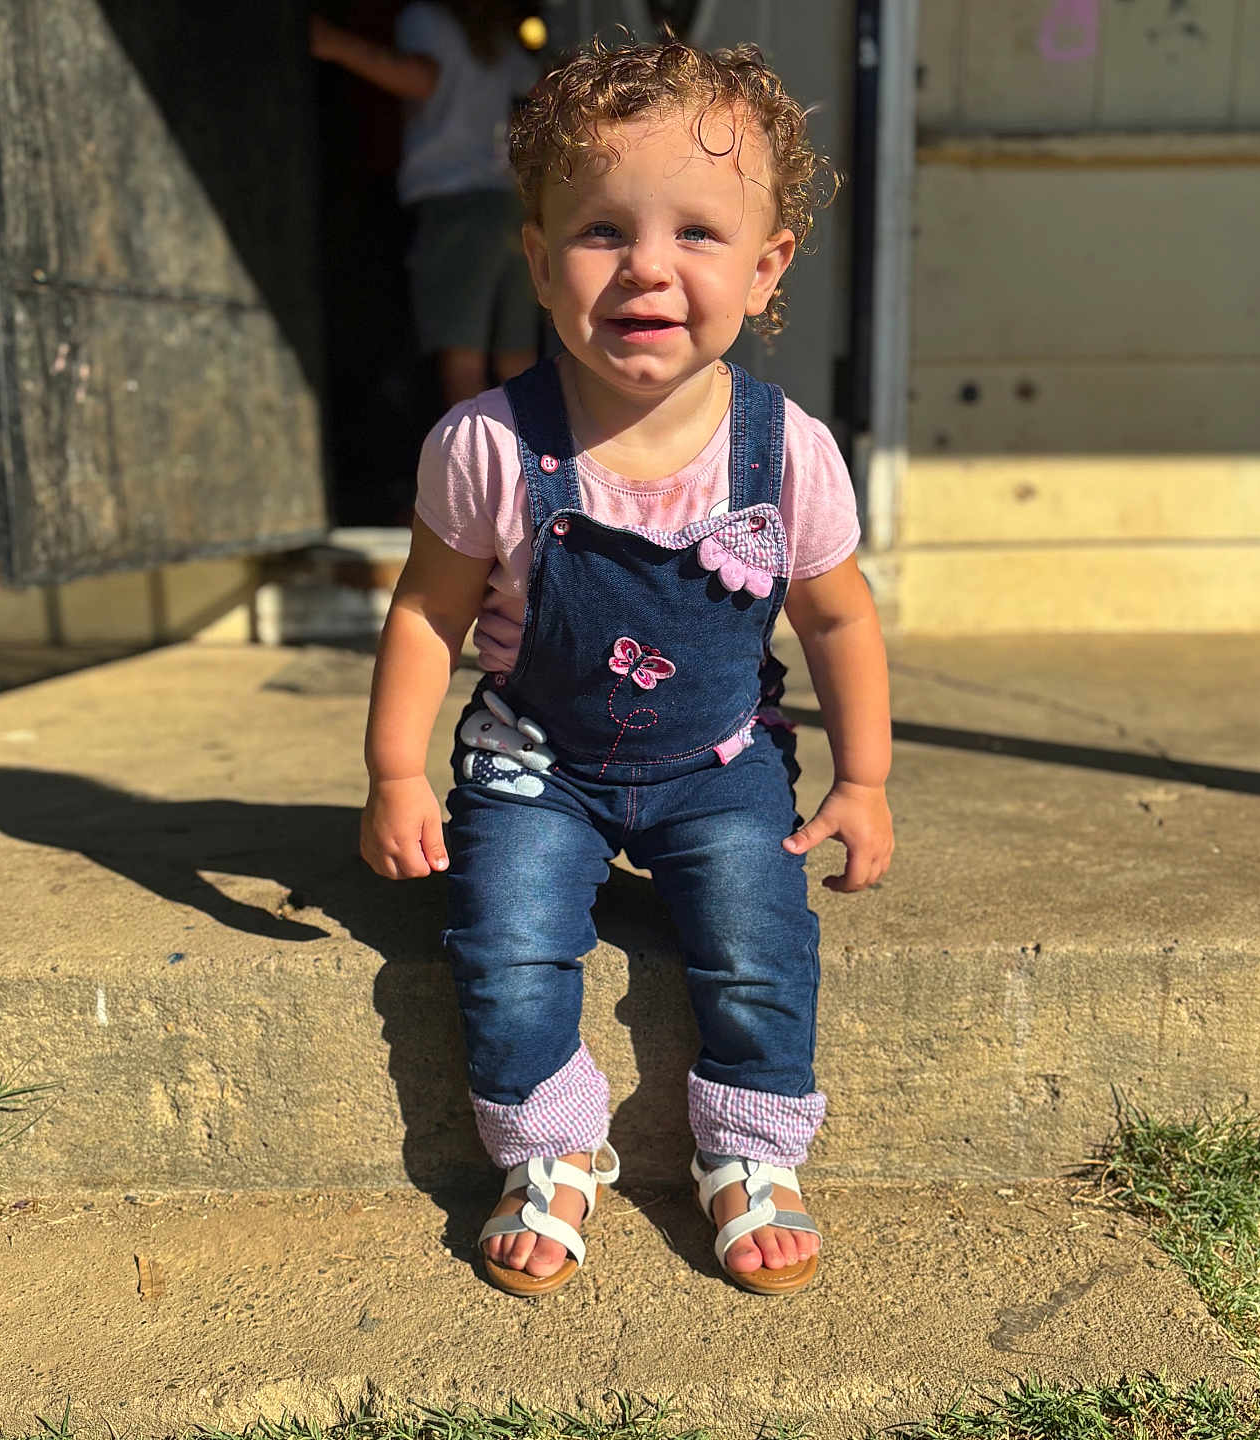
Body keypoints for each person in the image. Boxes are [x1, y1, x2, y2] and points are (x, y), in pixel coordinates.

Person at [359, 34, 894, 1298]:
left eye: (699, 235)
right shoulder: (488, 445)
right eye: (602, 231)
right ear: (538, 263)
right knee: (504, 934)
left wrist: (862, 781)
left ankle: (753, 1147)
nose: (648, 266)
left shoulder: (786, 450)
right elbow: (429, 616)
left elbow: (839, 622)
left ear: (767, 271)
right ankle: (547, 1152)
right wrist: (394, 770)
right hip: (537, 762)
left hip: (718, 764)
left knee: (759, 933)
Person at [311, 2, 540, 407]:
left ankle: (474, 471)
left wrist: (335, 45)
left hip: (454, 209)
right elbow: (536, 89)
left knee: (463, 363)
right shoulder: (498, 36)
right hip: (509, 206)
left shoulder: (424, 19)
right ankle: (539, 467)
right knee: (518, 361)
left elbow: (421, 78)